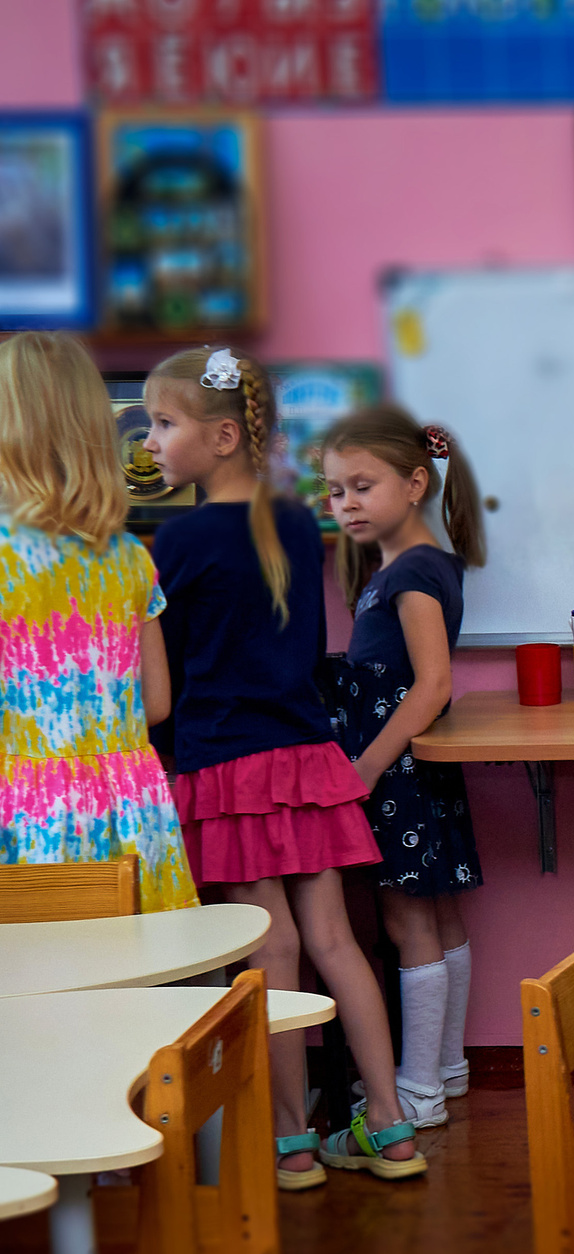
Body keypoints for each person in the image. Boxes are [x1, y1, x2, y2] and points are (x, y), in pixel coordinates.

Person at [143, 346, 419, 1187]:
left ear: (223, 436)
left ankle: (292, 1140)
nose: (149, 442)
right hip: (305, 756)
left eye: (162, 423)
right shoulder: (300, 520)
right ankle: (390, 1123)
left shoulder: (177, 539)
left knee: (273, 952)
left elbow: (169, 670)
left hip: (228, 763)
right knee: (339, 941)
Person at [317, 405, 484, 1157]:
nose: (345, 504)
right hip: (410, 766)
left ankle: (415, 1092)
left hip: (396, 768)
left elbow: (432, 685)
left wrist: (367, 766)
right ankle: (442, 1071)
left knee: (405, 923)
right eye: (333, 491)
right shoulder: (408, 564)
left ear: (415, 484)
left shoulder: (413, 571)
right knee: (438, 918)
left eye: (361, 486)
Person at [0, 332, 195, 913]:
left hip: (26, 810)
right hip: (131, 807)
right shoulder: (129, 556)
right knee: (138, 986)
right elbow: (156, 703)